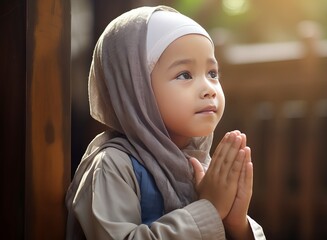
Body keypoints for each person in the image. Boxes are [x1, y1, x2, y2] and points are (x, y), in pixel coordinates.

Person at [66, 5, 265, 240]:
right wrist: (209, 209)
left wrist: (236, 223)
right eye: (185, 75)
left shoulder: (200, 162)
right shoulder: (113, 166)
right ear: (136, 91)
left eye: (212, 73)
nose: (209, 89)